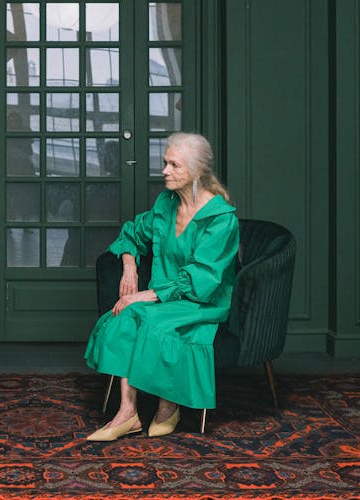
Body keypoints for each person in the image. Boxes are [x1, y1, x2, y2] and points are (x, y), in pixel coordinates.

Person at [84, 132, 239, 440]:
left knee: (151, 321)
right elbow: (132, 232)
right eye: (165, 162)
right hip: (163, 295)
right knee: (124, 317)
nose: (164, 171)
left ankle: (168, 408)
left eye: (174, 165)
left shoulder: (220, 219)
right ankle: (128, 414)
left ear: (196, 172)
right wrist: (129, 268)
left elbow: (202, 279)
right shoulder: (166, 204)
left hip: (200, 301)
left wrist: (146, 295)